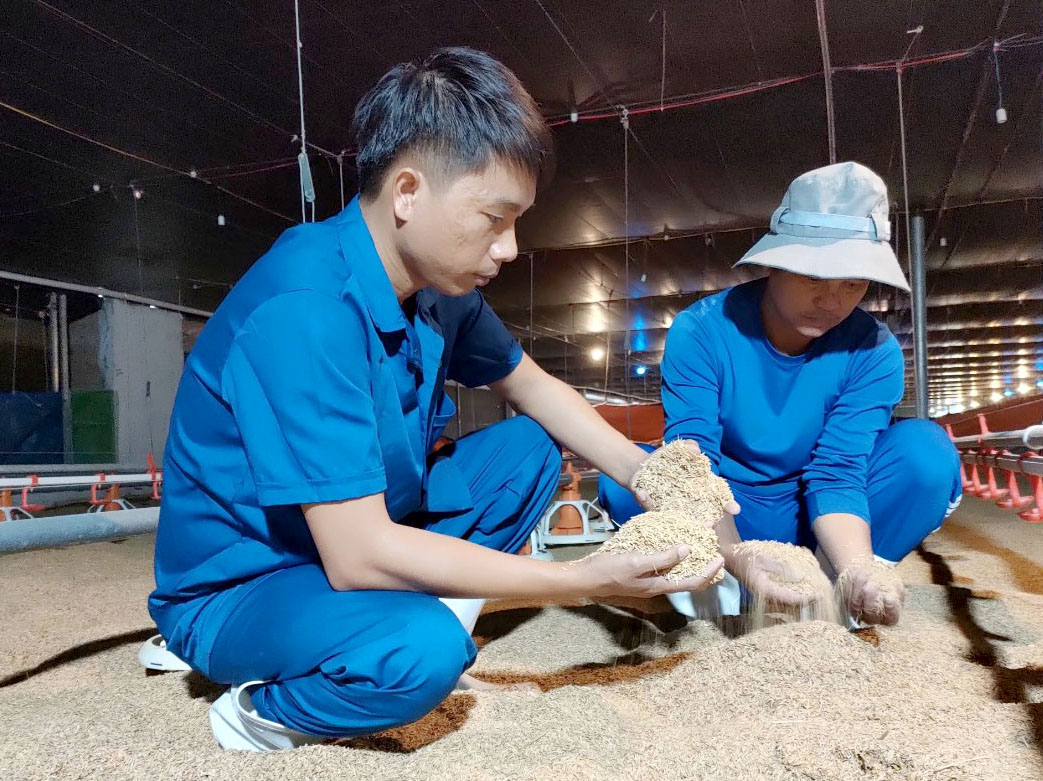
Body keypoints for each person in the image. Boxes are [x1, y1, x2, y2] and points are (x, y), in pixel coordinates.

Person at [147, 47, 726, 752]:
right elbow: (357, 554)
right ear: (409, 193)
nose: (509, 248)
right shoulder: (307, 308)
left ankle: (394, 610)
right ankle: (260, 706)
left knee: (531, 447)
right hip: (251, 578)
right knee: (422, 653)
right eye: (494, 217)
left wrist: (651, 473)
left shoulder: (436, 291)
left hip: (361, 528)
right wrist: (576, 579)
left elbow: (534, 386)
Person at [600, 162, 961, 626]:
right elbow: (693, 460)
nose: (832, 301)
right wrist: (736, 554)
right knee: (629, 478)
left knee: (925, 454)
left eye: (853, 283)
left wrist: (857, 567)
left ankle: (837, 590)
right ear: (774, 264)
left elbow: (837, 472)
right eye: (814, 278)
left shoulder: (874, 351)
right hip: (730, 508)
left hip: (815, 512)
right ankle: (721, 586)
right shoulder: (703, 330)